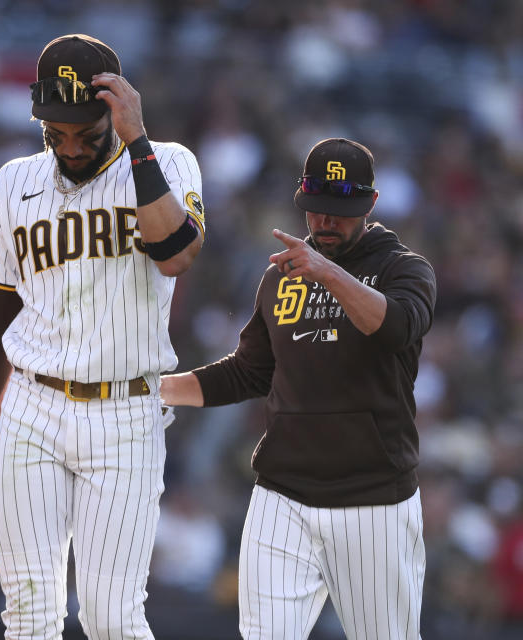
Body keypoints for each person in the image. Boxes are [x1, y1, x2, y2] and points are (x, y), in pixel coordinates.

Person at [0, 34, 205, 639]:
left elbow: (175, 254)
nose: (69, 146)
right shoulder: (15, 181)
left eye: (85, 133)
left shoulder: (167, 162)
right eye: (55, 132)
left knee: (111, 616)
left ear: (114, 111)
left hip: (122, 411)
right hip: (30, 408)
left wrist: (135, 141)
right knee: (30, 614)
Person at [161, 138, 436, 639]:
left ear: (370, 204)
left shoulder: (405, 269)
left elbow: (396, 328)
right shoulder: (280, 276)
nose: (326, 222)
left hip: (372, 499)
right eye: (316, 211)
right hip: (282, 495)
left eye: (339, 212)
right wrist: (156, 390)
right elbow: (248, 372)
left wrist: (326, 272)